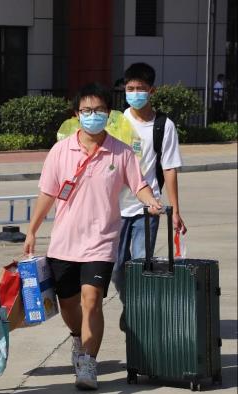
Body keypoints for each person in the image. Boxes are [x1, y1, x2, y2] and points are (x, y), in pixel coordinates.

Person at [23, 82, 162, 391]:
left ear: (108, 113)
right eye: (86, 110)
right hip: (64, 242)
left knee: (92, 299)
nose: (92, 115)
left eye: (99, 110)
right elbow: (47, 194)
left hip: (101, 241)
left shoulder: (121, 151)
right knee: (68, 303)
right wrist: (32, 230)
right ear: (76, 114)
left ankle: (88, 362)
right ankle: (77, 337)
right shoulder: (60, 151)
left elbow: (138, 184)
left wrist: (151, 201)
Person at [112, 62, 186, 331]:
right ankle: (130, 304)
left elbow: (169, 168)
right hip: (114, 208)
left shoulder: (164, 125)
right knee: (117, 268)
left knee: (141, 265)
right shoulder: (115, 122)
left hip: (148, 208)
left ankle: (136, 315)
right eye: (130, 88)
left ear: (152, 91)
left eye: (140, 88)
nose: (134, 93)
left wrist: (175, 210)